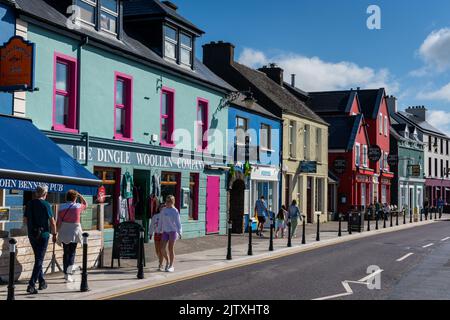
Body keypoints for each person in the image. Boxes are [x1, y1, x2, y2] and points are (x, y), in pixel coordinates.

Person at [23, 185, 57, 294]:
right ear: (44, 194)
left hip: (32, 235)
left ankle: (42, 282)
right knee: (39, 260)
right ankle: (31, 284)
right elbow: (52, 222)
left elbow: (25, 220)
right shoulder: (46, 205)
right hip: (43, 235)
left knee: (38, 258)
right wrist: (55, 234)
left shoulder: (29, 204)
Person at [56, 190, 87, 283]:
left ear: (66, 197)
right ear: (75, 198)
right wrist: (80, 195)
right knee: (72, 253)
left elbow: (59, 222)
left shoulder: (61, 207)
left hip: (64, 231)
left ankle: (65, 273)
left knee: (66, 253)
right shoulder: (78, 206)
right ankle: (68, 273)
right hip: (74, 231)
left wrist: (56, 232)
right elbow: (86, 204)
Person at [160, 196, 182, 273]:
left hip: (173, 231)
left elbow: (178, 222)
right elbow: (161, 220)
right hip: (165, 231)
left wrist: (180, 231)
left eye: (169, 201)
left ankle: (171, 265)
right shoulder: (163, 210)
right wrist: (160, 229)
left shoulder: (175, 211)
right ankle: (167, 261)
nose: (167, 203)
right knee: (162, 249)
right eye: (166, 201)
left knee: (170, 248)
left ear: (173, 202)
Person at [149, 204, 165, 271]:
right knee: (157, 250)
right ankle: (160, 259)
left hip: (163, 234)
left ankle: (160, 264)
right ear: (159, 208)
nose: (162, 208)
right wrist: (150, 233)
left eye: (164, 207)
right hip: (156, 234)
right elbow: (152, 225)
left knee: (161, 249)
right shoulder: (155, 216)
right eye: (161, 207)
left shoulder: (166, 216)